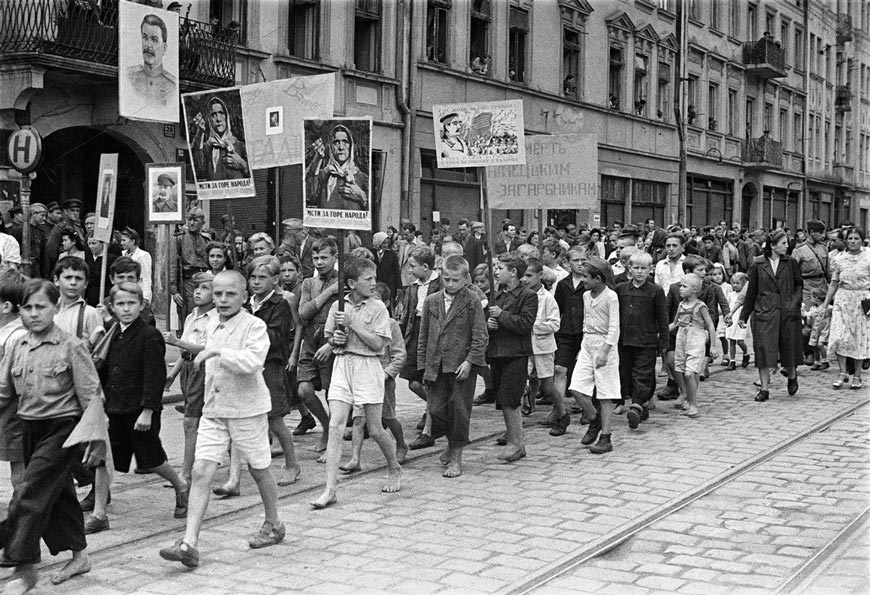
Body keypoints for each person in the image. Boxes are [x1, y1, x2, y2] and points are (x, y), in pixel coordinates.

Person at [159, 271, 285, 568]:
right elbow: (195, 348)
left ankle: (274, 523)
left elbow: (253, 362)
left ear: (244, 296)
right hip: (214, 409)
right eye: (218, 294)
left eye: (230, 294)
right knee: (202, 471)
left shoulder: (255, 326)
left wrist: (217, 350)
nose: (223, 300)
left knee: (259, 469)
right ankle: (189, 543)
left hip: (246, 409)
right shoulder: (212, 321)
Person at [0, 280, 104, 590]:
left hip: (63, 430)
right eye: (27, 308)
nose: (33, 314)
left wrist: (97, 440)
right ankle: (79, 555)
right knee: (59, 496)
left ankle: (23, 567)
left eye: (40, 307)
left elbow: (92, 396)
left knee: (28, 492)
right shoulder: (17, 346)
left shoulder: (72, 346)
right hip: (28, 427)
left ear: (55, 308)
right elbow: (4, 391)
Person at [85, 282, 188, 535]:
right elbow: (106, 369)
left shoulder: (149, 335)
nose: (126, 309)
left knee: (151, 460)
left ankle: (180, 484)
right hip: (114, 409)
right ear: (111, 307)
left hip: (138, 410)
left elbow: (154, 377)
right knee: (102, 459)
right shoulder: (112, 333)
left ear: (141, 305)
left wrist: (148, 411)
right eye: (120, 304)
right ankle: (99, 514)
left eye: (131, 303)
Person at [311, 258, 400, 509]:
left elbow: (379, 345)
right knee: (336, 424)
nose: (374, 283)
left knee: (375, 428)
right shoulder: (338, 307)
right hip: (342, 364)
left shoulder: (378, 308)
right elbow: (330, 336)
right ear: (351, 283)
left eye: (374, 278)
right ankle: (330, 488)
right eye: (368, 279)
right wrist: (336, 338)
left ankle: (394, 467)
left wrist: (353, 326)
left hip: (368, 366)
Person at [215, 256, 301, 495]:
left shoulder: (279, 304)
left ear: (275, 280)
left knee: (275, 418)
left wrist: (250, 327)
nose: (256, 282)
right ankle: (234, 479)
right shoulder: (246, 303)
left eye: (262, 277)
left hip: (270, 365)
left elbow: (276, 337)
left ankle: (292, 463)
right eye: (252, 277)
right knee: (236, 418)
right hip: (243, 365)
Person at [417, 255, 487, 477]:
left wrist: (470, 361)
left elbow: (480, 336)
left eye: (455, 280)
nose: (450, 284)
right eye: (446, 279)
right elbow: (424, 336)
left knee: (459, 411)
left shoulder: (472, 300)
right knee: (436, 410)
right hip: (436, 366)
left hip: (461, 368)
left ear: (466, 278)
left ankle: (456, 456)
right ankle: (449, 444)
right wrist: (423, 367)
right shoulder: (431, 301)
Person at [340, 282, 408, 472]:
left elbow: (399, 354)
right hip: (362, 375)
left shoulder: (391, 325)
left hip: (382, 378)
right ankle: (355, 458)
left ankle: (401, 443)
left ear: (386, 303)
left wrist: (387, 374)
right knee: (358, 418)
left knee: (386, 417)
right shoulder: (360, 321)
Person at [739, 229, 803, 402]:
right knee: (763, 350)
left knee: (788, 346)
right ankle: (764, 388)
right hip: (764, 312)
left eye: (787, 242)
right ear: (773, 246)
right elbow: (751, 291)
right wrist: (743, 316)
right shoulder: (758, 264)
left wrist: (793, 303)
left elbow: (799, 285)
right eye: (783, 243)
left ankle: (791, 374)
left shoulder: (790, 263)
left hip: (787, 311)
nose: (787, 245)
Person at [163, 272, 214, 486]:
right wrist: (172, 375)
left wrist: (176, 342)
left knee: (191, 421)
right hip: (188, 371)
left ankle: (186, 473)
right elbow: (185, 351)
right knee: (203, 420)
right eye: (196, 288)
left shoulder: (215, 319)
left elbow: (207, 348)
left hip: (204, 368)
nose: (198, 293)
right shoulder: (191, 316)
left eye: (204, 288)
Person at [487, 254, 537, 462]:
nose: (496, 271)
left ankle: (517, 443)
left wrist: (501, 316)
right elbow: (489, 319)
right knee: (503, 399)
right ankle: (512, 436)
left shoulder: (528, 295)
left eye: (500, 267)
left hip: (516, 352)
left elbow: (525, 324)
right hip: (498, 352)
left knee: (511, 399)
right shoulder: (497, 295)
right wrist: (490, 324)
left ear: (514, 272)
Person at [569, 257, 620, 454]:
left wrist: (605, 351)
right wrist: (584, 347)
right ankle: (594, 418)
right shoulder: (585, 296)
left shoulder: (611, 297)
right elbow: (586, 321)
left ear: (598, 278)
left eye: (585, 277)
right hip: (588, 343)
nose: (582, 280)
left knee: (605, 393)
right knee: (576, 387)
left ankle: (606, 437)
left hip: (604, 345)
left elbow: (614, 328)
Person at [296, 238, 340, 455]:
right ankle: (324, 425)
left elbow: (348, 316)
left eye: (324, 257)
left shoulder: (343, 281)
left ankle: (332, 437)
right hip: (310, 339)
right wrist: (329, 293)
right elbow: (303, 313)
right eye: (315, 258)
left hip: (332, 340)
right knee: (304, 389)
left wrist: (332, 344)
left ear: (335, 257)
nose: (319, 262)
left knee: (334, 393)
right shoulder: (308, 283)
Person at [616, 251, 668, 429]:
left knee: (643, 374)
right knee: (627, 374)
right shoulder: (621, 289)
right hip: (624, 340)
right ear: (629, 269)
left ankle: (636, 406)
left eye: (643, 268)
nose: (639, 272)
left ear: (650, 270)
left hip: (646, 341)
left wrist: (663, 343)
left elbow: (662, 318)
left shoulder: (656, 291)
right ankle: (642, 404)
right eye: (636, 268)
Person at [400, 246, 441, 449]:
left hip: (433, 334)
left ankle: (431, 424)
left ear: (426, 267)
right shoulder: (413, 287)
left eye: (412, 266)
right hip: (415, 333)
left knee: (429, 380)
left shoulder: (441, 283)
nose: (409, 270)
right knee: (413, 382)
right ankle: (434, 408)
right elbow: (406, 315)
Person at [822, 227, 870, 389]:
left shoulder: (868, 256)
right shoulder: (840, 259)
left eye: (856, 238)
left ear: (861, 240)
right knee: (839, 336)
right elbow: (834, 283)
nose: (853, 242)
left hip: (862, 301)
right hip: (843, 300)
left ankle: (857, 375)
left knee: (859, 338)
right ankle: (842, 372)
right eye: (850, 239)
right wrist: (825, 303)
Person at [521, 259, 562, 433]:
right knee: (522, 379)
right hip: (524, 345)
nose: (525, 279)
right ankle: (524, 411)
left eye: (529, 275)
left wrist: (532, 326)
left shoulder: (548, 299)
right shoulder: (522, 295)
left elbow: (555, 324)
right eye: (523, 275)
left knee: (547, 385)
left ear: (540, 276)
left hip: (543, 346)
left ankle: (561, 412)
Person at [670, 274, 720, 417]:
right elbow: (675, 323)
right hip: (682, 339)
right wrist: (660, 332)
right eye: (680, 285)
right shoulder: (681, 304)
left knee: (689, 372)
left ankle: (693, 405)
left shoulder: (700, 306)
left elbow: (710, 325)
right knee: (687, 370)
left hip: (696, 339)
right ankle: (690, 398)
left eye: (684, 286)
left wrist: (713, 346)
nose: (680, 288)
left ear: (694, 289)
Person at [548, 245, 586, 426]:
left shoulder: (590, 283)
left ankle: (587, 408)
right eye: (575, 261)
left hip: (586, 333)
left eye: (583, 260)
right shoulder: (563, 284)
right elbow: (558, 309)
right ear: (567, 263)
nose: (579, 264)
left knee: (584, 371)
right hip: (566, 332)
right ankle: (558, 410)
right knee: (560, 369)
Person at [0, 270, 26, 490]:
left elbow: (7, 382)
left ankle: (25, 510)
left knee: (20, 467)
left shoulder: (15, 336)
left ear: (6, 307)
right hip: (5, 409)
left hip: (13, 411)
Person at [306, 124, 369, 210]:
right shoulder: (323, 176)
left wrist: (362, 197)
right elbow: (310, 196)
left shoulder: (362, 178)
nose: (341, 147)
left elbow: (373, 214)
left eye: (345, 142)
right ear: (331, 147)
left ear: (351, 146)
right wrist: (317, 158)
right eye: (336, 142)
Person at [191, 96, 250, 181]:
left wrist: (243, 164)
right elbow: (199, 171)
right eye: (214, 114)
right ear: (210, 120)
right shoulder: (207, 148)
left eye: (221, 113)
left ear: (226, 117)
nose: (218, 119)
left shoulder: (240, 146)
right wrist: (200, 132)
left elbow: (256, 178)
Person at [126, 14, 177, 109]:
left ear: (164, 48)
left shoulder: (172, 87)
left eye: (154, 40)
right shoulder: (129, 78)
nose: (148, 45)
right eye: (145, 38)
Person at [171, 209, 211, 326]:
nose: (192, 223)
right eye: (190, 220)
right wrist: (174, 291)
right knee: (189, 313)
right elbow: (172, 265)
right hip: (187, 281)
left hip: (205, 279)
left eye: (196, 220)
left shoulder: (206, 239)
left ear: (203, 222)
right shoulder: (179, 238)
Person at [119, 227, 153, 308]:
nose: (121, 243)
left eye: (124, 240)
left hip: (138, 290)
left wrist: (146, 297)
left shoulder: (143, 255)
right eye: (121, 240)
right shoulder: (122, 254)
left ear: (133, 241)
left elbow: (146, 277)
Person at [725, 272, 752, 370]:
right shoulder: (731, 295)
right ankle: (732, 361)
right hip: (732, 320)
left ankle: (746, 353)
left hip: (741, 319)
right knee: (731, 341)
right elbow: (727, 306)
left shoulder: (746, 295)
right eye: (733, 283)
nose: (735, 285)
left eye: (738, 283)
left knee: (740, 341)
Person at [372, 231, 401, 309]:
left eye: (387, 243)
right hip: (376, 285)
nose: (385, 245)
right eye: (383, 243)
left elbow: (397, 271)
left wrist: (399, 287)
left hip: (389, 285)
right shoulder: (371, 253)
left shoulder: (392, 254)